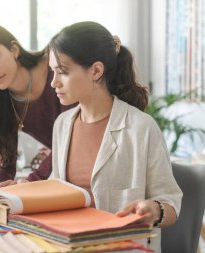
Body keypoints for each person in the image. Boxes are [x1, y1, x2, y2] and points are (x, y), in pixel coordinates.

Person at [48, 21, 182, 251]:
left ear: (96, 71)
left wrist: (155, 210)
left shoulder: (141, 128)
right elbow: (57, 190)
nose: (53, 82)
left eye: (63, 72)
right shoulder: (62, 125)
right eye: (53, 71)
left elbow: (170, 203)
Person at [0, 23, 74, 199]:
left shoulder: (56, 69)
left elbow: (70, 142)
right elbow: (7, 166)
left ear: (13, 49)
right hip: (65, 172)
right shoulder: (1, 100)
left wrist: (29, 182)